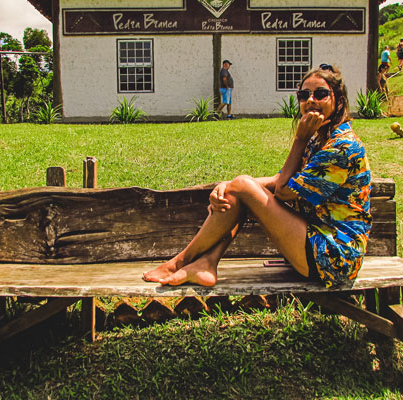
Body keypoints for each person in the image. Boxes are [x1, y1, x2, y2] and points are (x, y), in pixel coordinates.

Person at [143, 64, 372, 289]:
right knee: (240, 190)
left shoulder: (342, 148)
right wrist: (229, 186)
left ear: (338, 101)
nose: (310, 100)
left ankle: (179, 262)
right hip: (314, 242)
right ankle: (206, 263)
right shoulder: (322, 139)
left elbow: (282, 190)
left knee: (243, 187)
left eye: (321, 94)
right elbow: (279, 179)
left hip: (334, 257)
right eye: (304, 95)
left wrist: (299, 140)